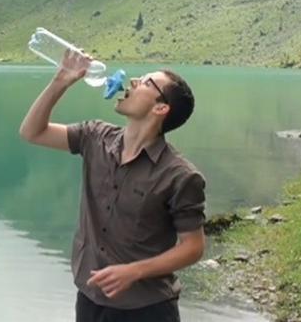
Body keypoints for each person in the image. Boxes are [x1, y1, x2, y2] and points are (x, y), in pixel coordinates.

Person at [19, 50, 206, 322]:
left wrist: (134, 271)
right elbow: (32, 132)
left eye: (145, 82)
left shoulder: (180, 176)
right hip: (90, 298)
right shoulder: (95, 137)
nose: (133, 82)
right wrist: (60, 81)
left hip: (147, 309)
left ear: (160, 108)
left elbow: (193, 247)